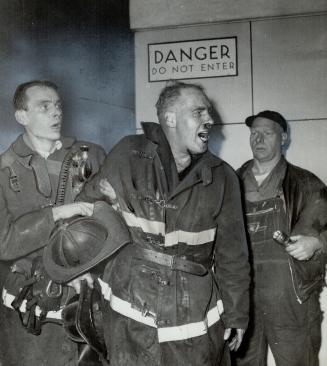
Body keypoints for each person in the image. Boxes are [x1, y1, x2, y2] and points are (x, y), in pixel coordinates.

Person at [78, 81, 250, 365]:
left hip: (192, 318)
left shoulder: (222, 177)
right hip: (130, 313)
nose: (210, 120)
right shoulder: (128, 155)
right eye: (199, 112)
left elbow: (234, 256)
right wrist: (82, 270)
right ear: (170, 118)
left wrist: (237, 314)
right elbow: (87, 212)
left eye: (208, 113)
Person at [0, 80, 106, 366]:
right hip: (30, 308)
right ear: (21, 116)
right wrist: (57, 213)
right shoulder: (4, 169)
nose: (56, 113)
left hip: (86, 302)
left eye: (58, 106)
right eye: (44, 107)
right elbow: (4, 242)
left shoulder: (91, 156)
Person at [235, 110, 327, 366]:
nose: (259, 139)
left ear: (283, 138)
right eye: (254, 133)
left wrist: (316, 243)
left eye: (267, 133)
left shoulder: (305, 183)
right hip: (243, 297)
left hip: (290, 298)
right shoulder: (232, 182)